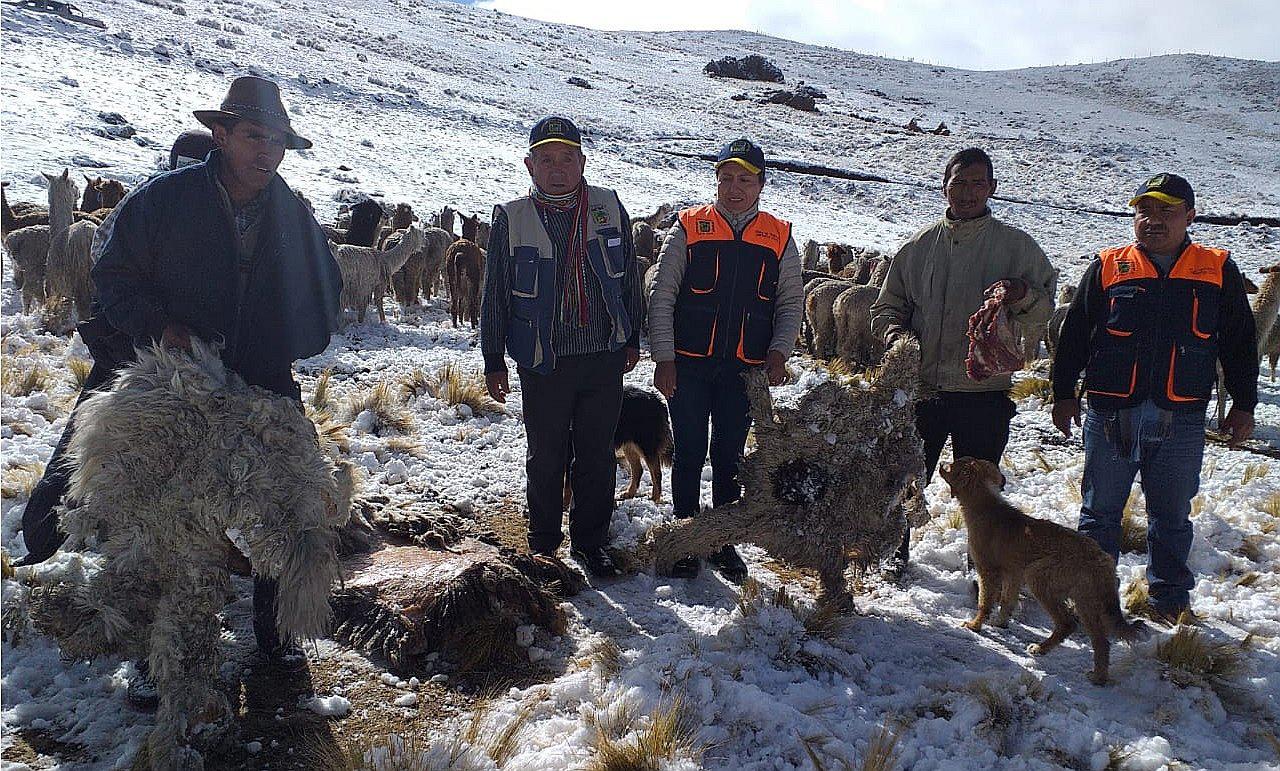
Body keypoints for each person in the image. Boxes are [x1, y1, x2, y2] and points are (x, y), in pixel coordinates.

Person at [87, 75, 342, 671]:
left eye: (276, 143)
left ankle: (277, 635)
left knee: (284, 506)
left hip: (263, 386)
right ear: (221, 135)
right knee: (168, 516)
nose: (267, 153)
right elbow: (113, 280)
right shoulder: (165, 201)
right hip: (176, 385)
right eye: (254, 137)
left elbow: (324, 295)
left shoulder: (293, 214)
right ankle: (165, 656)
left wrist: (288, 343)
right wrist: (161, 330)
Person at [1051, 172, 1256, 623]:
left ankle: (1169, 600)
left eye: (1167, 211)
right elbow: (1075, 336)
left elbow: (1240, 342)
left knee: (1171, 516)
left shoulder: (1216, 268)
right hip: (1110, 413)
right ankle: (1094, 603)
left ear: (1190, 216)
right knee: (1099, 513)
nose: (1154, 221)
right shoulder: (1109, 265)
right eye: (1145, 210)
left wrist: (1244, 404)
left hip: (1179, 417)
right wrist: (1062, 393)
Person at [16, 132, 221, 568]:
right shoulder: (152, 205)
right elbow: (106, 265)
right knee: (89, 437)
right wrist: (150, 317)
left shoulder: (176, 207)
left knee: (112, 441)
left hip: (161, 353)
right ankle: (45, 534)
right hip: (132, 347)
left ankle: (115, 538)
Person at [871, 147, 1057, 578]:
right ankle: (889, 555)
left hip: (984, 394)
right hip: (923, 390)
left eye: (978, 183)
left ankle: (985, 572)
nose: (968, 192)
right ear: (945, 187)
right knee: (902, 480)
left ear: (992, 188)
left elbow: (1045, 307)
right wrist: (897, 337)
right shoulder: (917, 247)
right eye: (960, 183)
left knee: (983, 495)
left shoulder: (1017, 248)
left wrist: (1021, 294)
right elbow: (887, 306)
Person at [479, 116, 644, 578]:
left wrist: (631, 337)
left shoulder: (609, 207)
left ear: (582, 162)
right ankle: (544, 542)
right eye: (547, 159)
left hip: (602, 356)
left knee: (596, 454)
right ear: (530, 166)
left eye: (567, 158)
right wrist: (493, 357)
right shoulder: (512, 218)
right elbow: (495, 293)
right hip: (542, 359)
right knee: (546, 455)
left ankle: (592, 540)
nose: (557, 169)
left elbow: (629, 276)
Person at [647, 138, 804, 582]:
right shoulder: (689, 227)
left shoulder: (779, 236)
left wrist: (778, 352)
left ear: (760, 184)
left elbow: (790, 301)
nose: (734, 188)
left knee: (730, 455)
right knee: (690, 449)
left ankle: (721, 540)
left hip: (745, 369)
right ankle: (683, 536)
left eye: (745, 180)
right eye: (726, 178)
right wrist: (664, 357)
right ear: (716, 181)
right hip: (689, 364)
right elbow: (663, 295)